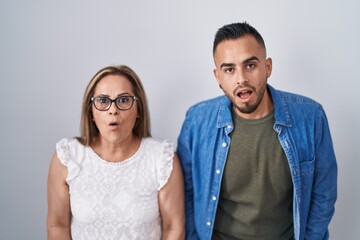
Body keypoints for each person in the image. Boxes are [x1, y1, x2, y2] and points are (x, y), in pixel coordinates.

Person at [177, 22, 337, 240]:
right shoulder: (196, 121)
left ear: (268, 67)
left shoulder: (311, 117)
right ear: (218, 77)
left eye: (250, 65)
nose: (241, 78)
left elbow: (323, 195)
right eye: (229, 69)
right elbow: (185, 194)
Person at [47, 65, 185, 240]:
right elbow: (57, 224)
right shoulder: (68, 156)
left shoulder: (162, 158)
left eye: (123, 100)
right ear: (91, 111)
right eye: (103, 101)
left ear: (138, 110)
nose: (113, 110)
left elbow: (173, 228)